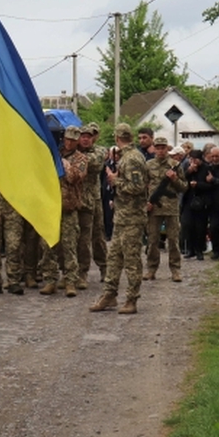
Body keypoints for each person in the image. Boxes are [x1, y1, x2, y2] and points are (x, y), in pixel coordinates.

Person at [90, 123, 149, 314]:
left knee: (131, 260)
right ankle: (109, 294)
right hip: (122, 216)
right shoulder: (127, 157)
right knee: (114, 257)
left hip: (132, 218)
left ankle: (132, 299)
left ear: (117, 138)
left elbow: (137, 187)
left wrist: (116, 181)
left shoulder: (132, 159)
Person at [39, 125, 88, 296]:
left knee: (69, 246)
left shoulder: (81, 159)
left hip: (69, 207)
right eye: (67, 139)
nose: (69, 143)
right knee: (48, 246)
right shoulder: (54, 155)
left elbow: (76, 177)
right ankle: (50, 279)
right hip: (51, 207)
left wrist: (64, 164)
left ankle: (70, 281)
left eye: (73, 140)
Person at [144, 137, 188, 281]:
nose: (161, 150)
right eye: (158, 147)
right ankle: (151, 268)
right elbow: (143, 187)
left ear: (167, 149)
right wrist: (146, 202)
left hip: (171, 208)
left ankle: (175, 270)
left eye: (163, 147)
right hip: (154, 208)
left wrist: (175, 179)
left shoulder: (174, 164)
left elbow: (184, 187)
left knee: (173, 240)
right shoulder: (148, 165)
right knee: (152, 240)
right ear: (154, 149)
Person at [77, 123, 108, 285]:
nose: (86, 139)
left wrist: (75, 159)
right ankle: (80, 271)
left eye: (90, 136)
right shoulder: (70, 151)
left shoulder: (99, 151)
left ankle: (104, 267)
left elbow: (95, 164)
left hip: (93, 199)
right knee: (80, 238)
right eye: (83, 136)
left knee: (97, 236)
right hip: (75, 200)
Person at [181, 149, 209, 260]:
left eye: (195, 159)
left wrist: (198, 185)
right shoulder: (187, 168)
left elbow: (210, 185)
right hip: (188, 200)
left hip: (201, 201)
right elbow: (180, 180)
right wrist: (189, 172)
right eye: (191, 159)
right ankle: (190, 249)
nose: (193, 162)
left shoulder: (206, 168)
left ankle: (199, 250)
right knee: (188, 225)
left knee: (200, 227)